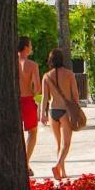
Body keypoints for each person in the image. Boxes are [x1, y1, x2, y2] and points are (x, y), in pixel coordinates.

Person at [41, 48, 80, 180]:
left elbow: (45, 98)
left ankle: (63, 173)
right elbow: (75, 95)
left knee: (58, 144)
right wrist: (77, 110)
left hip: (53, 111)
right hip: (65, 111)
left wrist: (42, 114)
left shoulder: (46, 76)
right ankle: (57, 165)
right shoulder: (69, 75)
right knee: (66, 144)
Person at [17, 37, 42, 176]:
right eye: (31, 45)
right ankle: (25, 164)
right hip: (27, 99)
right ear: (26, 47)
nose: (31, 47)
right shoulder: (32, 65)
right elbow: (37, 87)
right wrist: (35, 96)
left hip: (13, 100)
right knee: (32, 132)